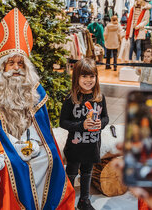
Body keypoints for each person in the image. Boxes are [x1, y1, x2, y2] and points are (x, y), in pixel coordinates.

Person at [0, 8, 75, 210]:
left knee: (51, 159)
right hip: (5, 145)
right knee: (14, 165)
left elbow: (40, 124)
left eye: (20, 63)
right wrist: (16, 145)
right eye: (11, 63)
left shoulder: (33, 87)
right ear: (1, 65)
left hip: (32, 141)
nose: (16, 68)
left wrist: (31, 143)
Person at [60, 58, 109, 210]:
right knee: (72, 174)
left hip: (92, 145)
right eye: (84, 76)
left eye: (91, 76)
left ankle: (84, 201)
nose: (88, 80)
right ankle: (67, 201)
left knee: (87, 173)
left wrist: (102, 123)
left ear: (96, 77)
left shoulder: (99, 98)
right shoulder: (71, 99)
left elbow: (106, 117)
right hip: (75, 147)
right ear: (77, 78)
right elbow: (63, 122)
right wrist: (82, 125)